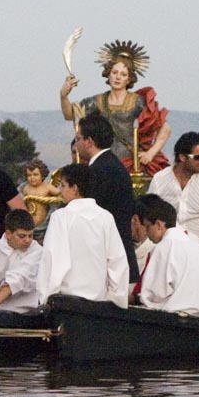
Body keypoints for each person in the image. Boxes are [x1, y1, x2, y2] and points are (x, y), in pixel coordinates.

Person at [59, 39, 171, 175]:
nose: (118, 77)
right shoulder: (97, 101)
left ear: (129, 79)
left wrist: (151, 153)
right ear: (108, 74)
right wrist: (64, 96)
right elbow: (70, 115)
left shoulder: (138, 102)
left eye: (123, 74)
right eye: (114, 72)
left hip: (132, 165)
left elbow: (165, 128)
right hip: (104, 165)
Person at [37, 163, 129, 309]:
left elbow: (52, 258)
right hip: (99, 302)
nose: (60, 191)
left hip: (67, 302)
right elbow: (117, 261)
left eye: (63, 185)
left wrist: (45, 297)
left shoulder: (61, 217)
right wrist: (116, 299)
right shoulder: (105, 217)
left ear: (74, 188)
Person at [147, 131, 199, 280]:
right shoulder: (160, 180)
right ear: (182, 157)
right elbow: (149, 218)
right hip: (169, 258)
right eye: (198, 157)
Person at [74, 111, 140, 282]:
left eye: (78, 138)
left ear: (89, 141)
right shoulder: (112, 164)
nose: (76, 144)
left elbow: (92, 216)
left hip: (108, 257)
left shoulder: (99, 171)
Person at [135, 194, 199, 317]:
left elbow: (156, 293)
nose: (147, 233)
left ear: (159, 225)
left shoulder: (163, 248)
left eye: (148, 227)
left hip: (172, 319)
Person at [20, 158, 60, 231]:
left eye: (35, 175)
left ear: (42, 175)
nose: (32, 178)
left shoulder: (47, 187)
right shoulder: (25, 188)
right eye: (29, 175)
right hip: (28, 226)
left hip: (44, 226)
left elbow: (60, 195)